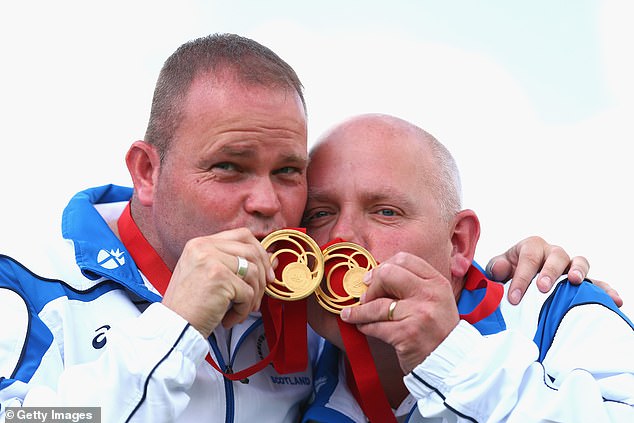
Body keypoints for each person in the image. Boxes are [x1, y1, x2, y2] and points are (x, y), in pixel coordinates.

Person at [0, 34, 603, 423]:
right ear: (147, 172)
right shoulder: (28, 290)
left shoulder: (316, 315)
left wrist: (518, 275)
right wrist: (172, 330)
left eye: (289, 173)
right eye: (229, 167)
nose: (266, 203)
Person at [300, 113, 634, 422]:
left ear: (458, 243)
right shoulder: (280, 358)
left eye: (386, 212)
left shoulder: (558, 313)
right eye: (318, 214)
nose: (340, 236)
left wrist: (451, 359)